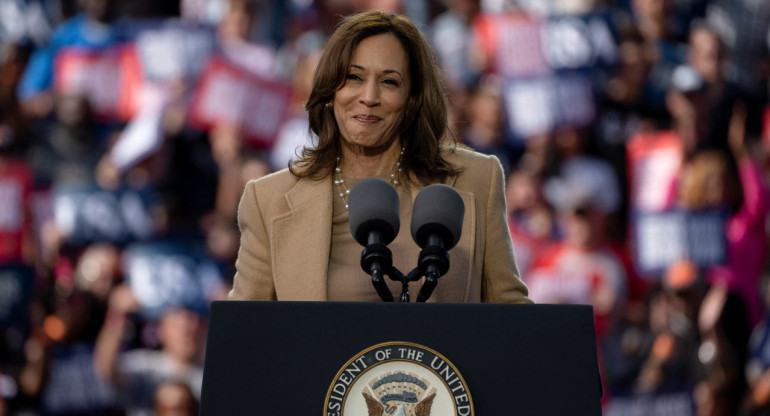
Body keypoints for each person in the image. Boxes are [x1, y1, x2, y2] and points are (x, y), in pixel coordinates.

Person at [228, 10, 530, 303]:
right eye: (354, 78)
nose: (369, 97)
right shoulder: (268, 200)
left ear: (413, 99)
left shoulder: (477, 179)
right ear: (330, 90)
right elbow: (245, 333)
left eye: (389, 82)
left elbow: (510, 314)